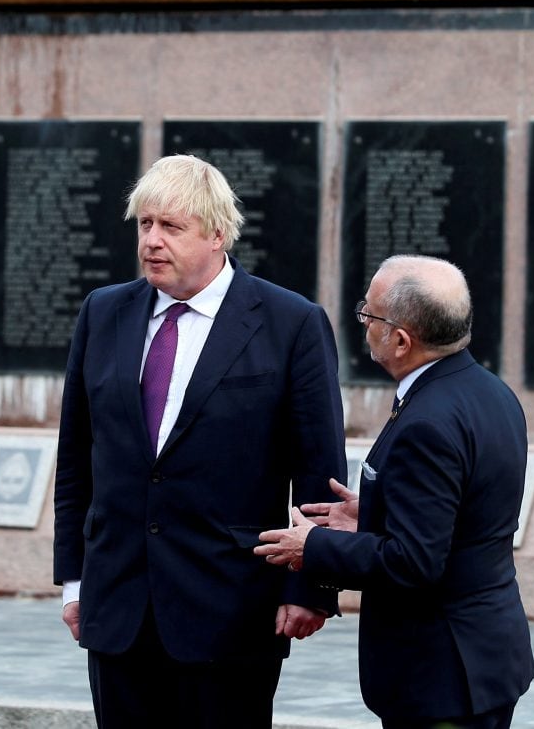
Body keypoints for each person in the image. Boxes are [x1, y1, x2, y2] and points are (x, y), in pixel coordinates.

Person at [54, 153, 347, 729]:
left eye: (171, 227)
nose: (152, 242)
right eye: (145, 224)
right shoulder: (103, 312)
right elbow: (76, 458)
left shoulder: (290, 323)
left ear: (218, 235)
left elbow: (319, 469)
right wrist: (74, 580)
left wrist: (311, 586)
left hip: (232, 609)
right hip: (117, 607)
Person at [255, 254, 534, 729]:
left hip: (443, 676)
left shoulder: (427, 422)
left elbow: (415, 563)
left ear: (401, 340)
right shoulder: (489, 391)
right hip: (483, 658)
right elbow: (462, 513)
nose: (362, 321)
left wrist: (315, 546)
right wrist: (376, 515)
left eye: (370, 313)